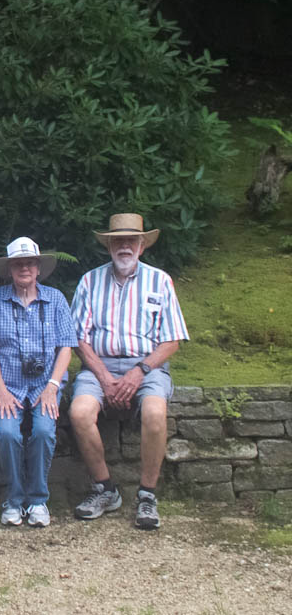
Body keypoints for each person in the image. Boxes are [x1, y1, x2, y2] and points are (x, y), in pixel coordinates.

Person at [69, 214, 189, 530]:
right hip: (99, 365)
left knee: (154, 412)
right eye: (118, 241)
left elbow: (172, 340)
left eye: (131, 241)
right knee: (79, 413)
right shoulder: (89, 281)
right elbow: (78, 339)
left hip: (148, 366)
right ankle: (105, 489)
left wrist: (139, 371)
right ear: (108, 246)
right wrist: (105, 378)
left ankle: (147, 495)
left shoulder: (160, 281)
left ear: (142, 246)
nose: (124, 246)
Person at [0, 237, 76, 528]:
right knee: (7, 434)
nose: (24, 268)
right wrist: (1, 390)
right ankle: (14, 499)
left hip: (46, 383)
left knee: (43, 431)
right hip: (8, 383)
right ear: (9, 269)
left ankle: (38, 500)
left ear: (39, 268)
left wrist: (53, 386)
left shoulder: (55, 299)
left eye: (30, 263)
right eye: (18, 264)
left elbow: (66, 347)